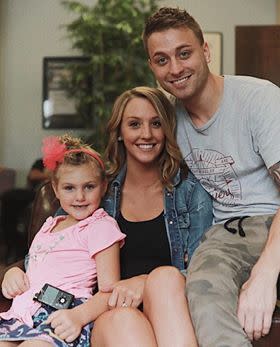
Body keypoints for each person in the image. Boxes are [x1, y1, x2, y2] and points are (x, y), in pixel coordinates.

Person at [143, 6, 280, 347]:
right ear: (152, 67)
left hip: (274, 219)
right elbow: (128, 168)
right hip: (227, 234)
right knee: (203, 284)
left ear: (205, 51)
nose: (175, 69)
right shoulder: (168, 121)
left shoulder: (258, 98)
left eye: (184, 53)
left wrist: (265, 275)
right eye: (162, 60)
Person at [90, 86, 213, 347]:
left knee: (165, 278)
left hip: (171, 314)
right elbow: (55, 243)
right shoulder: (97, 192)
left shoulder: (190, 192)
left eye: (156, 123)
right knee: (125, 320)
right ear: (120, 133)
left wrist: (144, 281)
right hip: (113, 315)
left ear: (167, 130)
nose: (146, 134)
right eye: (134, 124)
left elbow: (204, 268)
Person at [0, 134, 126, 347]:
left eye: (89, 186)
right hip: (22, 314)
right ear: (56, 189)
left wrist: (78, 316)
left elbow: (110, 289)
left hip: (62, 316)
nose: (79, 197)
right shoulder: (50, 224)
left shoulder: (99, 226)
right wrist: (12, 273)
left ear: (104, 186)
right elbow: (33, 266)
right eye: (69, 188)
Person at [1, 158, 49, 263]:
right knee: (8, 197)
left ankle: (16, 247)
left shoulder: (63, 162)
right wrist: (50, 175)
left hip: (45, 195)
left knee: (9, 198)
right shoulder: (41, 161)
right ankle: (12, 243)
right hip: (33, 192)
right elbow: (33, 175)